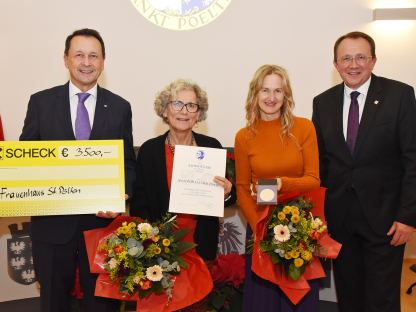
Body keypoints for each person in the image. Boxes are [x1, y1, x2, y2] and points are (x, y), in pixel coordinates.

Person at [20, 28, 135, 312]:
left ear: (103, 62)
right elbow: (26, 162)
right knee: (53, 303)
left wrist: (123, 195)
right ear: (66, 60)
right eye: (79, 55)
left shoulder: (120, 107)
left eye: (93, 56)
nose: (86, 62)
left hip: (101, 228)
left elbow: (127, 164)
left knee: (101, 305)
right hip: (51, 227)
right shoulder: (41, 102)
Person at [312, 31, 416, 312]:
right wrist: (319, 221)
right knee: (349, 297)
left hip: (386, 222)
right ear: (336, 64)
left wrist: (408, 217)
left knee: (382, 300)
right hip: (341, 222)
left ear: (373, 61)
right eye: (346, 58)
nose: (353, 64)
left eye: (360, 57)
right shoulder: (322, 103)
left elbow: (412, 159)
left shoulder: (400, 95)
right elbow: (321, 165)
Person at [130, 79, 236, 311]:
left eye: (191, 106)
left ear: (198, 114)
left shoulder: (212, 147)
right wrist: (153, 243)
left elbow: (230, 196)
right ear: (165, 110)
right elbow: (139, 203)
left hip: (199, 251)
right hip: (158, 253)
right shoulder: (149, 151)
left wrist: (227, 192)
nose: (184, 111)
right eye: (177, 104)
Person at [234, 64, 320, 311]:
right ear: (255, 94)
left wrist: (283, 183)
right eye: (265, 90)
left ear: (286, 95)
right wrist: (259, 230)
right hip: (260, 227)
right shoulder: (243, 136)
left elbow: (313, 179)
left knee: (297, 299)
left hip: (300, 227)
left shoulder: (304, 128)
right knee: (263, 300)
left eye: (278, 91)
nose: (271, 98)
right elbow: (242, 189)